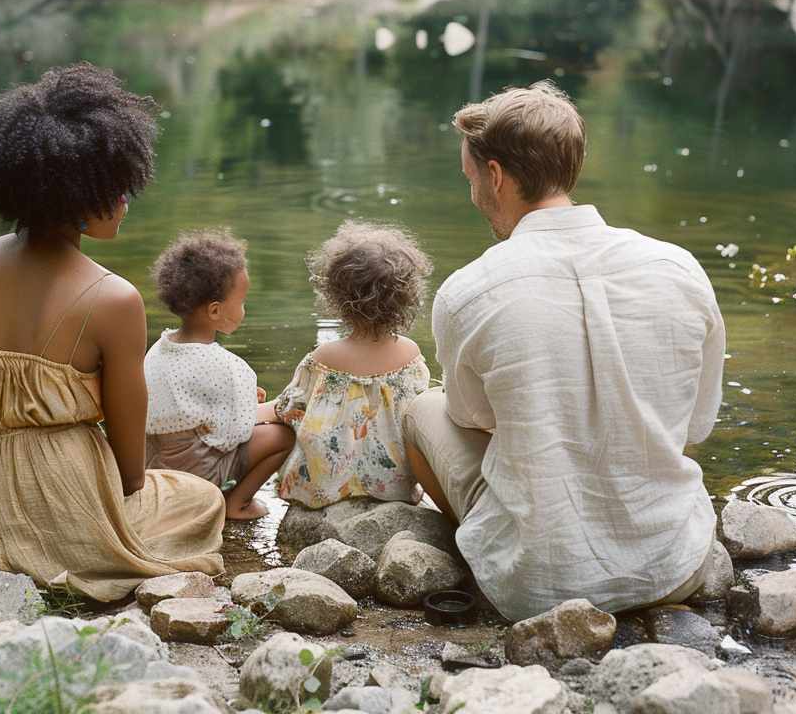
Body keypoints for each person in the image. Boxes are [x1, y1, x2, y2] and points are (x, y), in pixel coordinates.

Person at [0, 62, 226, 601]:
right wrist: (118, 495)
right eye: (117, 189)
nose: (127, 201)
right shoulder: (113, 299)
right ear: (78, 197)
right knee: (198, 497)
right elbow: (128, 463)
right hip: (54, 511)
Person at [404, 82, 725, 622]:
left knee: (421, 411)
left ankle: (499, 550)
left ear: (496, 176)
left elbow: (471, 418)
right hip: (675, 567)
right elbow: (696, 425)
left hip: (536, 592)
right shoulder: (679, 268)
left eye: (471, 179)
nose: (474, 193)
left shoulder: (470, 290)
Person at [272, 220, 433, 508]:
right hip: (392, 485)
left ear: (337, 297)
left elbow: (289, 410)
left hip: (324, 486)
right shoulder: (410, 353)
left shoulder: (324, 357)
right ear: (405, 299)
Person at [144, 230, 295, 520]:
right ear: (215, 311)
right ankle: (235, 504)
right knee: (282, 435)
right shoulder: (225, 364)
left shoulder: (159, 350)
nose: (244, 309)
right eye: (241, 300)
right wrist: (276, 410)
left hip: (155, 469)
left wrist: (242, 401)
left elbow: (184, 405)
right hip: (197, 472)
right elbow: (233, 435)